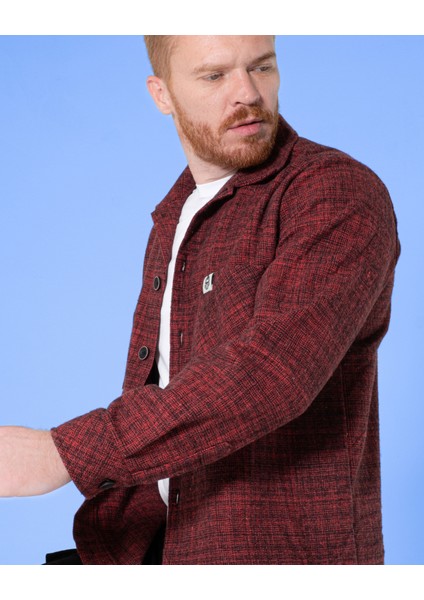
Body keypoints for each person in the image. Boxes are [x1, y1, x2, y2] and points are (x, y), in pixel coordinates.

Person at [0, 35, 400, 565]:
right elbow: (165, 391)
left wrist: (61, 453)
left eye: (261, 67)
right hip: (160, 545)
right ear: (162, 94)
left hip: (273, 559)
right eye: (214, 76)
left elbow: (270, 375)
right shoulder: (175, 215)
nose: (247, 93)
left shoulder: (333, 193)